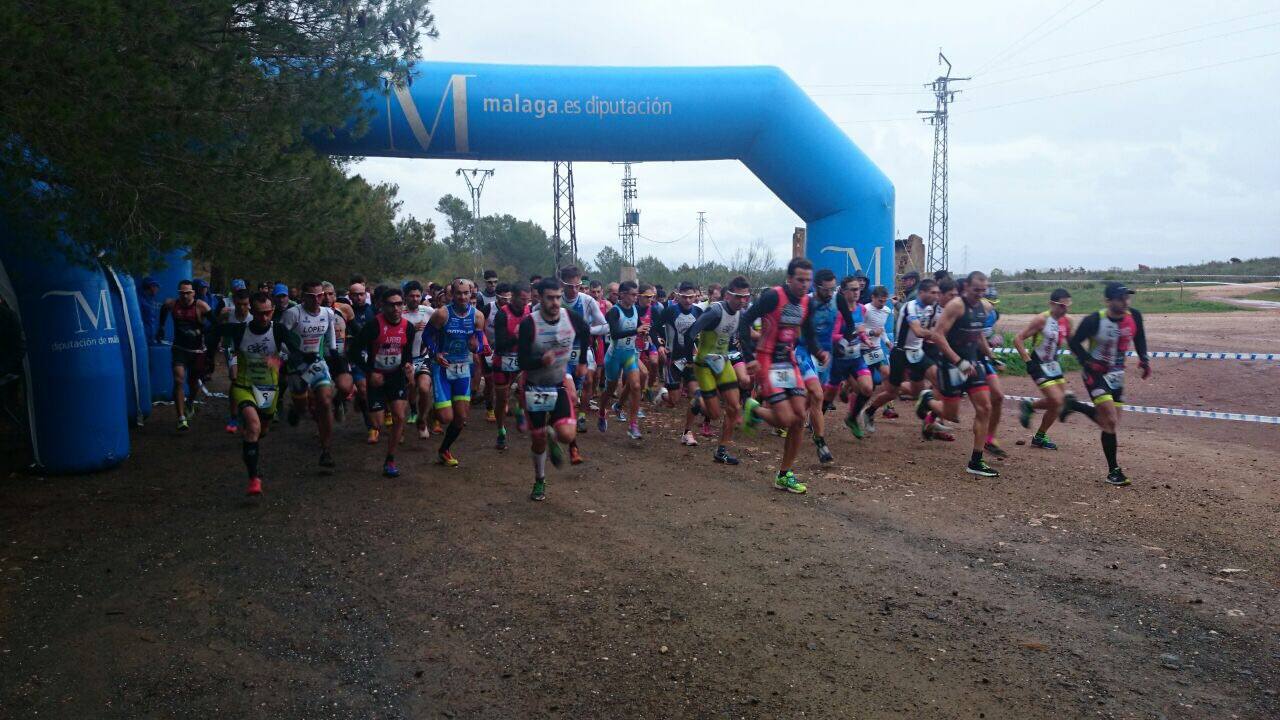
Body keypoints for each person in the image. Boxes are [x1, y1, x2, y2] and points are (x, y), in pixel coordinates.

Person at [739, 258, 827, 494]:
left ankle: (784, 474)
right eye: (800, 280)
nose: (804, 285)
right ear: (789, 279)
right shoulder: (773, 296)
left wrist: (818, 350)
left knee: (799, 418)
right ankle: (754, 408)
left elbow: (807, 331)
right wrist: (749, 358)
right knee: (787, 419)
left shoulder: (807, 302)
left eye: (808, 280)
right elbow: (745, 320)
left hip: (788, 362)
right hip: (767, 360)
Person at [914, 271, 1000, 478]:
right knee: (951, 415)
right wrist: (957, 361)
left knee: (985, 407)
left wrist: (990, 354)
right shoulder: (956, 306)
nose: (980, 294)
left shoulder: (984, 307)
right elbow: (937, 335)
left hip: (972, 363)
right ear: (966, 288)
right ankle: (928, 401)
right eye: (976, 290)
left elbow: (978, 333)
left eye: (983, 290)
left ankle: (976, 461)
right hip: (951, 365)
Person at [1064, 282, 1150, 486]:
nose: (1125, 302)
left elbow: (1140, 337)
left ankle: (1073, 405)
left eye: (1127, 298)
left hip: (1117, 375)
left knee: (1108, 423)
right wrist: (1087, 361)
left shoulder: (1134, 316)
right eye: (1121, 298)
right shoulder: (1094, 320)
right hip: (1095, 374)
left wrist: (1144, 359)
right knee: (1110, 421)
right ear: (1108, 301)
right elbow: (1074, 343)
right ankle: (1114, 471)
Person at [219, 291, 302, 495]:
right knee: (253, 427)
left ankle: (250, 446)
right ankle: (254, 478)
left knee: (260, 431)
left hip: (268, 389)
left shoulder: (279, 330)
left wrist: (280, 362)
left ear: (273, 311)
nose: (263, 318)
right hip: (244, 386)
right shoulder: (239, 330)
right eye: (258, 313)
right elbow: (215, 332)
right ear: (251, 311)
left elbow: (297, 353)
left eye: (267, 313)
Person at [518, 278, 591, 501]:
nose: (555, 302)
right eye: (550, 297)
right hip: (534, 387)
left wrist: (581, 362)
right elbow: (522, 361)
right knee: (538, 439)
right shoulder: (530, 323)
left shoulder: (570, 317)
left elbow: (586, 331)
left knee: (568, 435)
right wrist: (540, 361)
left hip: (558, 383)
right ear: (539, 297)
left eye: (558, 297)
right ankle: (540, 480)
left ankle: (554, 434)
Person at [348, 287, 417, 477]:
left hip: (395, 376)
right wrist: (370, 373)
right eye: (391, 305)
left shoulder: (408, 327)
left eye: (399, 304)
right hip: (376, 377)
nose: (396, 309)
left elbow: (407, 353)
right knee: (377, 424)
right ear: (382, 306)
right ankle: (363, 400)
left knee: (399, 417)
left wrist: (408, 366)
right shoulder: (373, 326)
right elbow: (353, 352)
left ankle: (390, 459)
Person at [688, 275, 751, 465]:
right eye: (738, 297)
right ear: (728, 295)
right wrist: (687, 356)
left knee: (734, 407)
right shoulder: (715, 312)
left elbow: (746, 337)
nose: (742, 301)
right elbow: (692, 330)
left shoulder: (741, 313)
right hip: (705, 365)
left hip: (723, 362)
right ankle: (698, 398)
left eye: (746, 297)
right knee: (714, 414)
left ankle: (721, 451)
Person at [280, 280, 339, 468]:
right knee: (302, 406)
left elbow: (331, 338)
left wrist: (334, 355)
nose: (316, 300)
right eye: (311, 296)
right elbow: (279, 337)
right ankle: (297, 409)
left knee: (325, 401)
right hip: (296, 366)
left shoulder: (327, 313)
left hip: (317, 364)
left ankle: (326, 450)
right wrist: (295, 355)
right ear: (303, 297)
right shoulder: (292, 314)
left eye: (319, 296)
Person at [428, 278, 486, 467]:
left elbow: (478, 345)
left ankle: (444, 449)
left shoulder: (477, 316)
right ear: (452, 294)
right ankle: (431, 413)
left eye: (466, 293)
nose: (462, 297)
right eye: (458, 293)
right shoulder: (442, 314)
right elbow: (428, 335)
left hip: (463, 367)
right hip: (443, 367)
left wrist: (476, 348)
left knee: (460, 418)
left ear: (471, 294)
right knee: (446, 417)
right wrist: (435, 353)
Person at [864, 279, 937, 424]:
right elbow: (917, 331)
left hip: (916, 352)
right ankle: (869, 411)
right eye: (933, 292)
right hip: (900, 353)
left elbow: (928, 328)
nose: (936, 296)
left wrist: (886, 341)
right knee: (892, 392)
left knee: (937, 381)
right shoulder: (910, 307)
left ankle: (931, 419)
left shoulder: (930, 308)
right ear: (922, 293)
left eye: (938, 293)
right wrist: (937, 335)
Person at [1013, 288, 1074, 450]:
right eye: (1062, 306)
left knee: (1059, 404)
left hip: (1053, 364)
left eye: (1068, 305)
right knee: (1057, 400)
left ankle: (1039, 436)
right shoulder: (1041, 319)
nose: (1065, 309)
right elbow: (1018, 339)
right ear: (1052, 304)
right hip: (1038, 363)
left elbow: (1072, 341)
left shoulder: (1067, 321)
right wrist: (1027, 361)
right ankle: (1029, 408)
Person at [559, 265, 608, 463]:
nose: (574, 290)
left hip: (582, 351)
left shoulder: (587, 301)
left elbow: (604, 326)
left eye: (578, 285)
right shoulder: (556, 299)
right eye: (570, 286)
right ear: (563, 284)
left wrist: (585, 330)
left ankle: (580, 415)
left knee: (588, 382)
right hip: (560, 354)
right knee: (570, 395)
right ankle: (572, 443)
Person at [157, 279, 212, 431]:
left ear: (193, 293)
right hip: (179, 349)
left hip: (197, 352)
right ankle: (181, 417)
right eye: (182, 293)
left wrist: (205, 331)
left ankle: (190, 403)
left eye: (188, 293)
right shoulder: (173, 304)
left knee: (193, 384)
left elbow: (214, 324)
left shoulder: (201, 306)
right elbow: (164, 308)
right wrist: (161, 327)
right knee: (179, 379)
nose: (185, 296)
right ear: (179, 293)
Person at [795, 269, 837, 463]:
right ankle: (821, 444)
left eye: (833, 289)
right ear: (816, 287)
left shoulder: (837, 301)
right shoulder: (806, 302)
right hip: (805, 352)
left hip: (825, 355)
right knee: (817, 395)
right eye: (826, 290)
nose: (830, 293)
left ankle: (794, 421)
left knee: (811, 400)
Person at [598, 280, 647, 440]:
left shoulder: (635, 309)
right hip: (614, 356)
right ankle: (602, 411)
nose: (635, 298)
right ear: (623, 295)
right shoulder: (614, 312)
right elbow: (614, 334)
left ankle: (633, 425)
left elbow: (638, 325)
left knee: (636, 385)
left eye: (636, 294)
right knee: (610, 388)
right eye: (633, 295)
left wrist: (644, 332)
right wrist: (635, 330)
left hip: (629, 354)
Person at [658, 281, 704, 446]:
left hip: (690, 360)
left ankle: (687, 432)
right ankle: (663, 395)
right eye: (684, 297)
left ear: (695, 296)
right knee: (674, 401)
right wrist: (660, 345)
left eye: (691, 297)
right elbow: (654, 328)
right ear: (678, 296)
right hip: (673, 360)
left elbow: (704, 333)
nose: (688, 300)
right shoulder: (670, 311)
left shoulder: (699, 312)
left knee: (697, 396)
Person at [492, 282, 531, 450]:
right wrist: (518, 336)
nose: (525, 302)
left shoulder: (529, 312)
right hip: (502, 360)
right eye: (522, 299)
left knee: (525, 389)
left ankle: (520, 411)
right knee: (502, 398)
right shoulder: (502, 315)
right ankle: (501, 430)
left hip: (521, 359)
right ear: (513, 297)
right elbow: (499, 345)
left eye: (527, 300)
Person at [218, 286, 252, 433]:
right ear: (234, 303)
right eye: (239, 304)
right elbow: (218, 328)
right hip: (233, 351)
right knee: (234, 378)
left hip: (250, 353)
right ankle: (233, 416)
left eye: (245, 304)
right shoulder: (228, 314)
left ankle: (249, 410)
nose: (242, 307)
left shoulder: (253, 317)